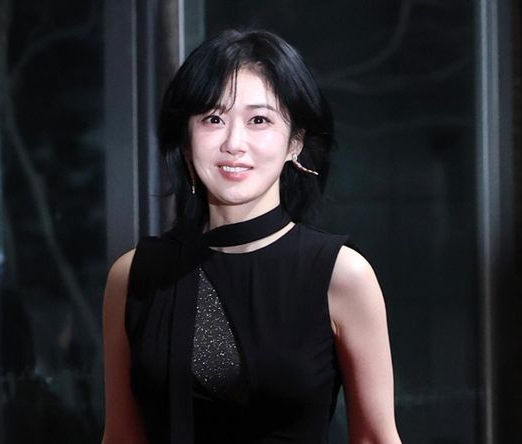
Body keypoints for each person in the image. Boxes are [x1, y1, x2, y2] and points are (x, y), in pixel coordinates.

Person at [102, 29, 401, 444]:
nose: (234, 143)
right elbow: (121, 437)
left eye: (259, 120)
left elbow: (375, 438)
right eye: (213, 119)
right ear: (186, 143)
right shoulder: (134, 275)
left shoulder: (342, 275)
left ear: (295, 142)